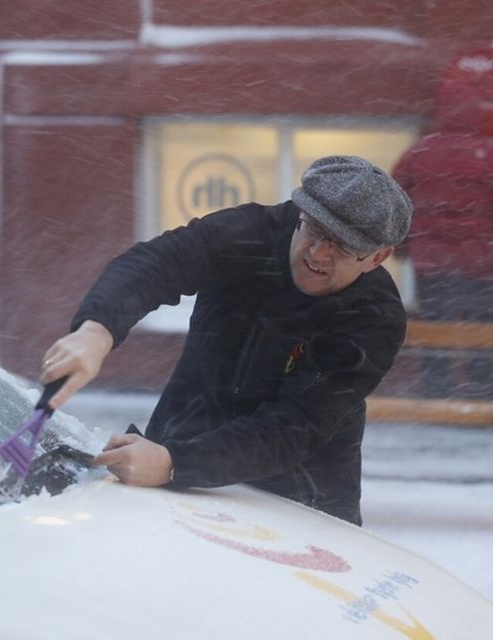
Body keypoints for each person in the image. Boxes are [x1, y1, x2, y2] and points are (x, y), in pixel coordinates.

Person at [39, 155, 413, 525]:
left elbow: (293, 426)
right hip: (173, 460)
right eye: (313, 229)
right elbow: (158, 263)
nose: (317, 253)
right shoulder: (251, 232)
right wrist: (96, 330)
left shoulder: (373, 318)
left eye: (342, 246)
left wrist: (176, 464)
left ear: (378, 257)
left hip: (301, 502)